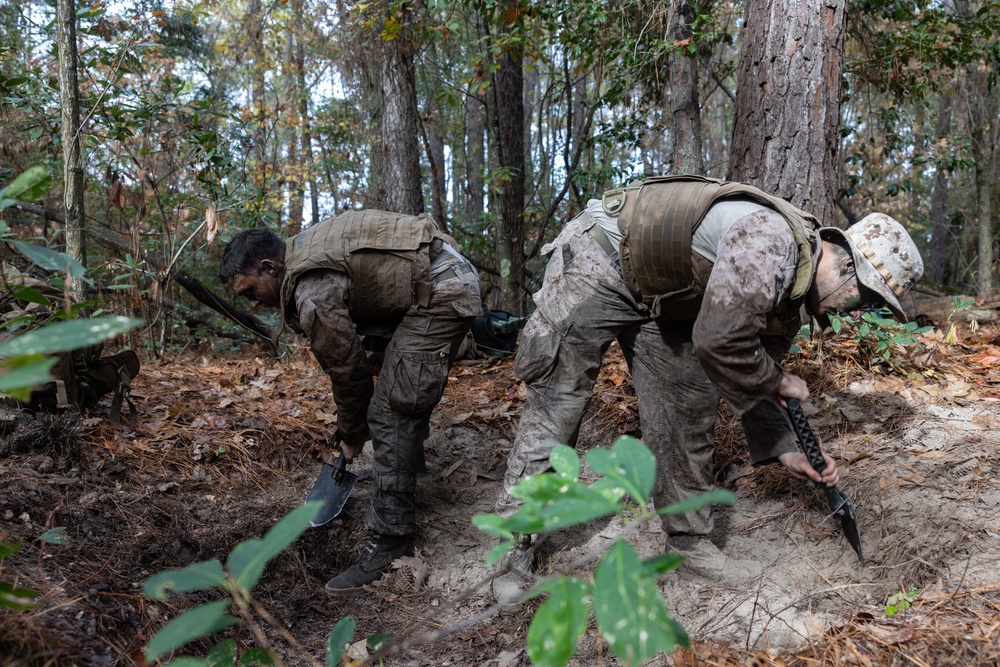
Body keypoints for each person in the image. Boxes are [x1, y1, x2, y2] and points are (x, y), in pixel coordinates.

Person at [491, 174, 924, 602]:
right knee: (560, 403)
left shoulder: (792, 297)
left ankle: (688, 543)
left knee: (687, 406)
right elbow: (720, 342)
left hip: (668, 298)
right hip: (601, 261)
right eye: (864, 299)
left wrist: (787, 448)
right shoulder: (769, 243)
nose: (857, 313)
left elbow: (750, 372)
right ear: (848, 265)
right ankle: (513, 546)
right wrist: (780, 380)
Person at [220, 209, 482, 595]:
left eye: (250, 292)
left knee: (389, 410)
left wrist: (353, 431)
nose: (253, 304)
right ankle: (405, 464)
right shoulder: (303, 255)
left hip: (441, 289)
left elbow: (347, 370)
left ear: (269, 266)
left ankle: (391, 539)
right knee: (393, 377)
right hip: (428, 282)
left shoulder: (310, 290)